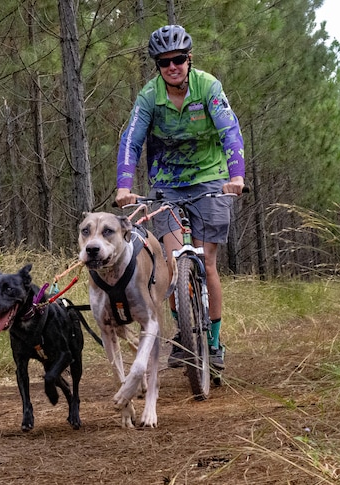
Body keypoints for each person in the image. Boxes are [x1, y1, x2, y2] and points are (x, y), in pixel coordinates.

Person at [114, 24, 246, 372]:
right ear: (158, 66)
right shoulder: (149, 96)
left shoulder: (208, 87)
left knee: (208, 261)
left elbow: (229, 130)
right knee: (172, 264)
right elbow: (131, 140)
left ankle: (214, 343)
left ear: (189, 59)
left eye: (178, 60)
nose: (172, 67)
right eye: (164, 62)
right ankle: (186, 336)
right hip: (167, 183)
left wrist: (236, 177)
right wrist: (124, 186)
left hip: (210, 178)